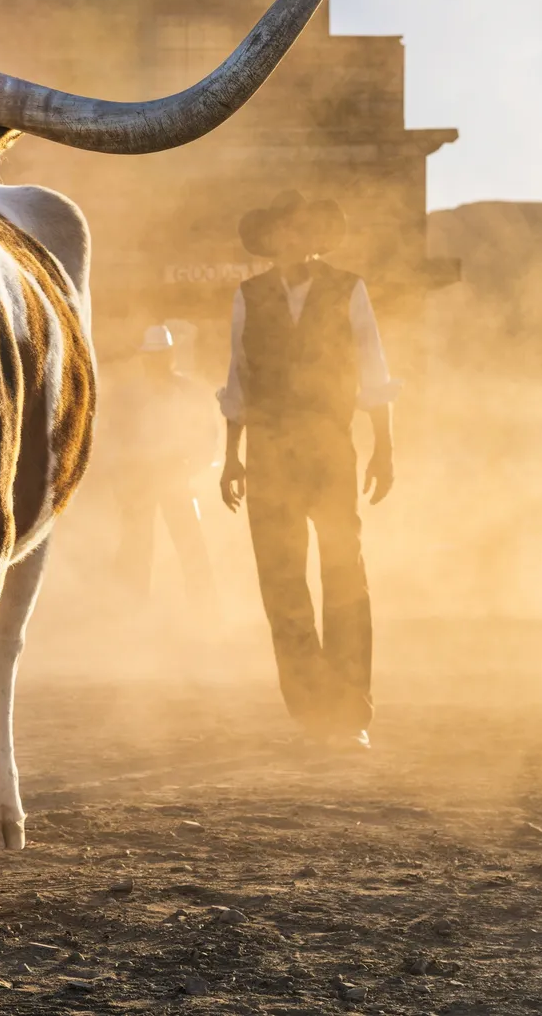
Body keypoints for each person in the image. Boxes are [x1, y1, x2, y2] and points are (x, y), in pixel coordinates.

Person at [217, 190, 399, 750]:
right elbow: (238, 378)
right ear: (270, 241)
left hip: (328, 448)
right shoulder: (249, 295)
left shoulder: (349, 289)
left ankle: (351, 712)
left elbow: (373, 369)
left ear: (314, 237)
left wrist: (384, 448)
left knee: (344, 573)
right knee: (282, 580)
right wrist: (231, 456)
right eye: (279, 234)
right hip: (269, 453)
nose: (287, 242)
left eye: (298, 232)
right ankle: (311, 710)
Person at [117, 324, 218, 618]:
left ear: (170, 356)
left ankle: (205, 611)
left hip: (174, 475)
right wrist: (125, 476)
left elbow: (207, 437)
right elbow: (119, 437)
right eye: (152, 356)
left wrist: (190, 468)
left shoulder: (189, 392)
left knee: (191, 546)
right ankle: (131, 610)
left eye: (160, 355)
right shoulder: (131, 396)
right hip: (142, 476)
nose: (156, 362)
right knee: (137, 547)